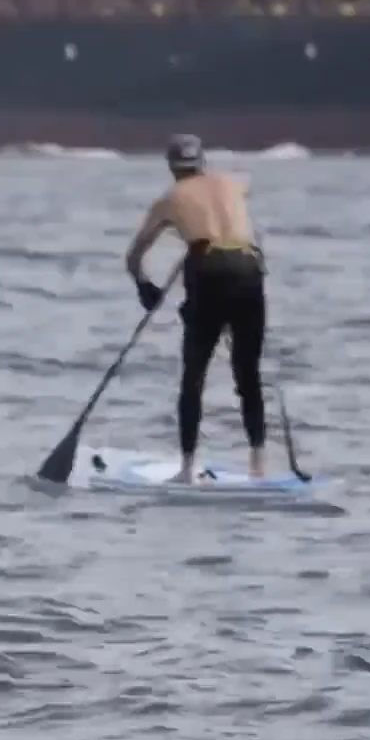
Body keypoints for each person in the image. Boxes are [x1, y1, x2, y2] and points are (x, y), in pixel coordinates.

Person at [123, 134, 269, 483]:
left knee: (194, 376)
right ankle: (258, 469)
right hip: (250, 270)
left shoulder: (169, 199)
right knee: (248, 374)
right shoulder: (233, 184)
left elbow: (134, 255)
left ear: (173, 167)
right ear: (202, 162)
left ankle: (187, 470)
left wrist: (145, 286)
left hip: (208, 271)